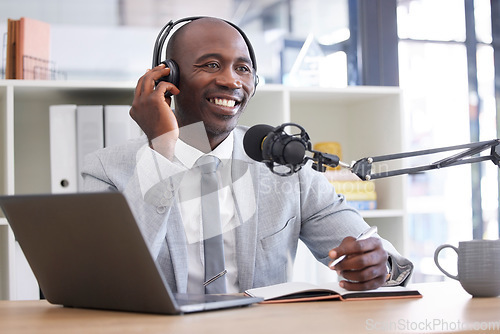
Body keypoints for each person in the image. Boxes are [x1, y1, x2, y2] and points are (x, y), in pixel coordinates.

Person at [82, 17, 413, 295]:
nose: (231, 80)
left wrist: (376, 265)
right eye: (211, 65)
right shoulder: (107, 169)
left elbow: (382, 257)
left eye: (243, 68)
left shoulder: (286, 167)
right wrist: (161, 153)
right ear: (168, 77)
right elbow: (102, 280)